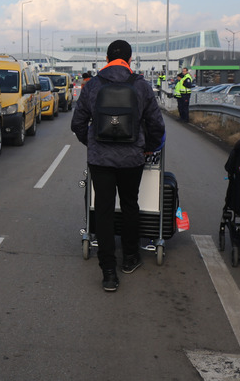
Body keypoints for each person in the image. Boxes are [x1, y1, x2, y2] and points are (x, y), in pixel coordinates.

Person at [71, 40, 166, 292]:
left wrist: (92, 144)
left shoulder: (92, 86)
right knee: (129, 205)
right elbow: (156, 125)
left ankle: (109, 271)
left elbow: (78, 123)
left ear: (106, 59)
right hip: (131, 159)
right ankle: (131, 258)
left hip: (100, 159)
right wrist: (149, 147)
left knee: (103, 210)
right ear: (130, 60)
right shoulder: (141, 86)